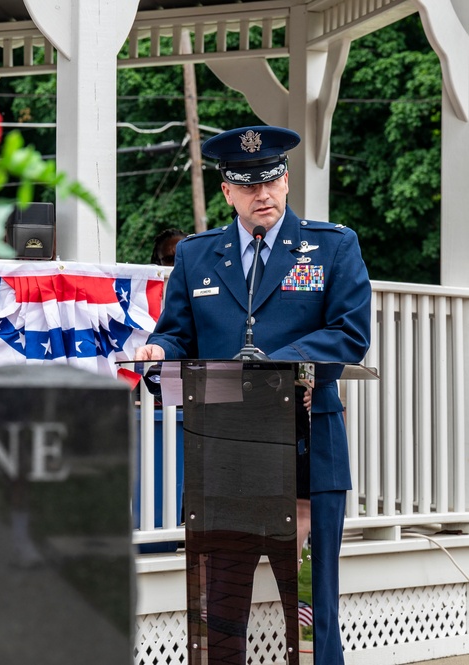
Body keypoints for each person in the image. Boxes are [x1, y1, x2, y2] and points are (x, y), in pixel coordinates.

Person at [134, 125, 371, 665]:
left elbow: (350, 333)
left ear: (285, 182)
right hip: (223, 451)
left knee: (311, 611)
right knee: (218, 608)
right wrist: (157, 350)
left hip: (307, 449)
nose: (262, 194)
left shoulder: (333, 246)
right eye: (247, 184)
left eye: (271, 180)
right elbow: (177, 333)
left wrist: (279, 362)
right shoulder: (196, 256)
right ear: (227, 192)